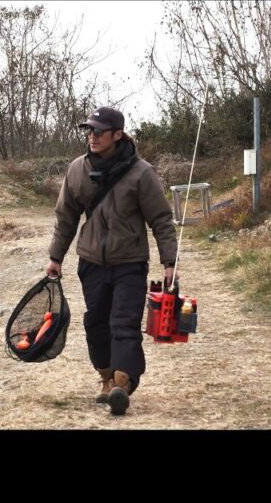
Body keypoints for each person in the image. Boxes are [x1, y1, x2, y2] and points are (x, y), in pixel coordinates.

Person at [45, 106, 178, 415]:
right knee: (96, 322)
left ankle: (123, 382)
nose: (92, 136)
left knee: (123, 322)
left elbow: (161, 220)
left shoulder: (142, 173)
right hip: (90, 261)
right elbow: (65, 216)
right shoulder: (77, 169)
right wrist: (56, 257)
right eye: (89, 131)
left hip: (130, 261)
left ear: (117, 135)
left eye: (99, 131)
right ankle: (105, 378)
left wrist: (169, 261)